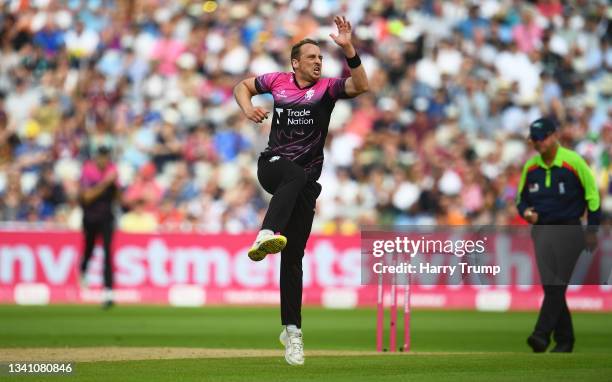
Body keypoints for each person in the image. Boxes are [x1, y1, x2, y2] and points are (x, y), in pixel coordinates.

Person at [233, 16, 368, 365]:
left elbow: (362, 86)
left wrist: (349, 50)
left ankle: (292, 332)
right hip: (273, 166)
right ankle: (265, 232)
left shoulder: (326, 89)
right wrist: (248, 108)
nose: (318, 62)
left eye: (321, 58)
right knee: (292, 174)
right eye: (312, 58)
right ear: (295, 63)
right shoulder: (277, 81)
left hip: (305, 185)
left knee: (293, 260)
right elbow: (242, 87)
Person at [516, 117, 600, 353]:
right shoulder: (530, 167)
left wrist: (592, 229)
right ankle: (565, 340)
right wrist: (526, 213)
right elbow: (520, 199)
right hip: (541, 231)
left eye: (542, 138)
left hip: (569, 230)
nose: (538, 143)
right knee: (552, 287)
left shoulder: (574, 162)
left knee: (555, 285)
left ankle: (540, 335)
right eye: (534, 139)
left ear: (554, 136)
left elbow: (592, 196)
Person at [78, 146, 120, 309]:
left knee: (108, 253)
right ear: (97, 158)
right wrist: (105, 183)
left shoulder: (112, 170)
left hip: (107, 218)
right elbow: (86, 197)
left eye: (106, 157)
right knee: (89, 248)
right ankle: (83, 270)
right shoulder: (88, 171)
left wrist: (115, 185)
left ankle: (108, 292)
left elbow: (119, 198)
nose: (104, 161)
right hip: (90, 217)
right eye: (101, 157)